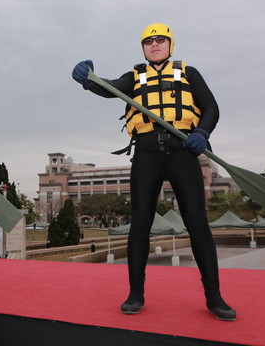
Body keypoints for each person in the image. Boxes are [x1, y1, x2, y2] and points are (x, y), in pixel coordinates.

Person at [71, 23, 236, 321]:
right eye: (149, 42)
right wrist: (89, 80)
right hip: (147, 153)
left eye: (160, 40)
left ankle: (214, 296)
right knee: (140, 223)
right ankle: (136, 293)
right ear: (143, 48)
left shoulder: (188, 73)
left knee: (197, 223)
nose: (155, 45)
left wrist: (202, 132)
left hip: (183, 151)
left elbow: (211, 107)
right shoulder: (134, 76)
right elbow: (110, 88)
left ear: (170, 44)